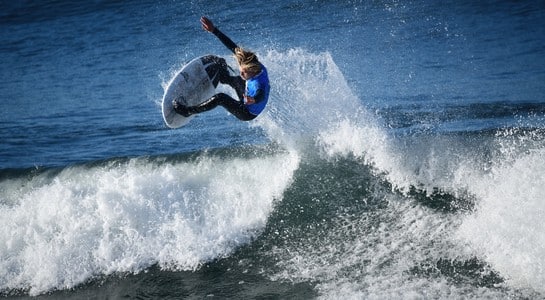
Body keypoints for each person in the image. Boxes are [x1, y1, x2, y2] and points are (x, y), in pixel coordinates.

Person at [172, 16, 270, 121]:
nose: (241, 73)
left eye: (244, 73)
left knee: (221, 98)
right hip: (248, 96)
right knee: (224, 66)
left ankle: (188, 111)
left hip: (246, 111)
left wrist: (254, 99)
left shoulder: (258, 83)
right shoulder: (252, 62)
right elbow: (233, 47)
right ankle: (223, 77)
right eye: (241, 70)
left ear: (252, 72)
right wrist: (214, 30)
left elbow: (261, 95)